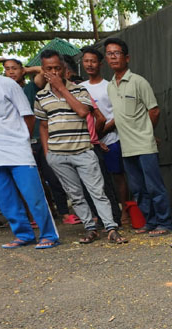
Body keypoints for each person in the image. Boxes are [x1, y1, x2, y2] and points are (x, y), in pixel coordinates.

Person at [34, 50, 125, 244]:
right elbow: (43, 126)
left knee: (97, 191)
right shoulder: (41, 96)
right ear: (43, 70)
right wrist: (48, 153)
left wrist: (62, 88)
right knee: (75, 195)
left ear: (64, 69)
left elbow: (84, 112)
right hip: (58, 155)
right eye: (49, 69)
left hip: (83, 151)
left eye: (57, 68)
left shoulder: (80, 90)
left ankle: (111, 228)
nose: (54, 72)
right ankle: (90, 229)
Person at [104, 37, 172, 236]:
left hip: (144, 144)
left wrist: (147, 133)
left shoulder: (138, 81)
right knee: (137, 189)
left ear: (127, 58)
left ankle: (165, 223)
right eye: (109, 54)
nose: (113, 57)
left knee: (154, 186)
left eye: (117, 53)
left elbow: (154, 110)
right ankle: (150, 223)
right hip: (126, 147)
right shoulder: (110, 86)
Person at [0, 56, 71, 221]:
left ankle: (64, 213)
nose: (11, 72)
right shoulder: (3, 90)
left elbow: (43, 70)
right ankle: (35, 216)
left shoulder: (31, 87)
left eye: (14, 68)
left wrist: (26, 70)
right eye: (7, 69)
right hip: (17, 144)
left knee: (51, 177)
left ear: (22, 70)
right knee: (29, 181)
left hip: (38, 138)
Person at [0, 73, 59, 249]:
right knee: (5, 199)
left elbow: (28, 116)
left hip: (17, 150)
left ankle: (49, 235)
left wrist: (25, 141)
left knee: (34, 196)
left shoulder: (7, 84)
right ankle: (23, 235)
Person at [81, 45, 130, 223]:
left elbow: (118, 115)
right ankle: (103, 215)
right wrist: (93, 138)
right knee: (95, 179)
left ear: (100, 64)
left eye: (93, 61)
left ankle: (125, 210)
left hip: (111, 138)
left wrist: (100, 134)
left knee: (118, 176)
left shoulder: (109, 86)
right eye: (86, 61)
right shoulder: (79, 88)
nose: (89, 64)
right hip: (90, 142)